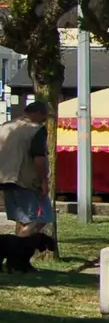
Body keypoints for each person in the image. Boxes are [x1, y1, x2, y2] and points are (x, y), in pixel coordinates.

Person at [0, 99, 53, 237]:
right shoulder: (35, 130)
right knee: (39, 218)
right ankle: (18, 246)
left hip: (5, 179)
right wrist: (44, 181)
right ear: (37, 113)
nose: (44, 121)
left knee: (25, 220)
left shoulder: (5, 127)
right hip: (25, 181)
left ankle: (18, 246)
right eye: (44, 117)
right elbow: (39, 157)